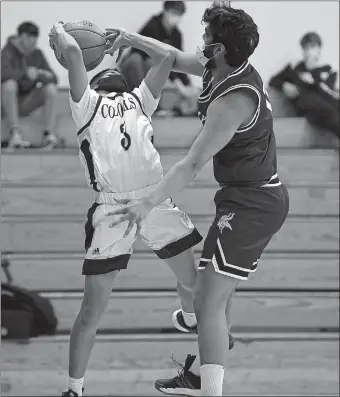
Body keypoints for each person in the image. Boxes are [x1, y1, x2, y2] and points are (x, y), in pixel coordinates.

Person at [105, 2, 290, 396]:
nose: (200, 40)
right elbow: (169, 56)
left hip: (255, 203)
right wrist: (127, 37)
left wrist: (145, 202)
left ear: (219, 48)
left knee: (207, 302)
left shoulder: (234, 101)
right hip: (240, 198)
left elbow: (191, 165)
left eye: (206, 36)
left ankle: (210, 382)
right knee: (211, 298)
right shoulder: (218, 65)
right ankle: (212, 343)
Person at [48, 21, 205, 397]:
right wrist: (59, 30)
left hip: (153, 199)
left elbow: (167, 55)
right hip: (113, 211)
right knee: (92, 311)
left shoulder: (138, 100)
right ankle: (74, 388)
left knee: (194, 283)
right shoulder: (86, 105)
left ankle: (191, 322)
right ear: (95, 77)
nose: (115, 68)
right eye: (107, 67)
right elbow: (72, 53)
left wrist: (126, 38)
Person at [119, 1, 199, 116]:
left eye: (179, 14)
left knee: (159, 69)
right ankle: (145, 104)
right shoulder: (152, 27)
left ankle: (157, 106)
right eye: (174, 13)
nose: (176, 17)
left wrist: (187, 84)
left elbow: (178, 60)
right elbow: (160, 58)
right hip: (134, 67)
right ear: (165, 11)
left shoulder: (176, 34)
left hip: (150, 70)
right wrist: (178, 84)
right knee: (141, 61)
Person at [1, 21, 64, 149]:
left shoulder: (36, 53)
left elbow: (53, 78)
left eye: (35, 40)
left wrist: (39, 74)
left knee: (51, 89)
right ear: (22, 37)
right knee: (9, 84)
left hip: (27, 101)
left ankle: (48, 135)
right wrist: (25, 73)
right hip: (7, 103)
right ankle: (15, 133)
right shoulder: (6, 52)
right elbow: (3, 74)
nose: (34, 44)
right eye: (31, 40)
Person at [269, 32, 339, 138]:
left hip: (323, 107)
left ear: (319, 49)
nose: (308, 52)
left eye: (312, 47)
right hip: (306, 105)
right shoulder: (295, 68)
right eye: (305, 48)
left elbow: (327, 95)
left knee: (330, 109)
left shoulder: (329, 71)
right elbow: (273, 80)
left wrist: (314, 75)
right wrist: (284, 85)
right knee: (325, 109)